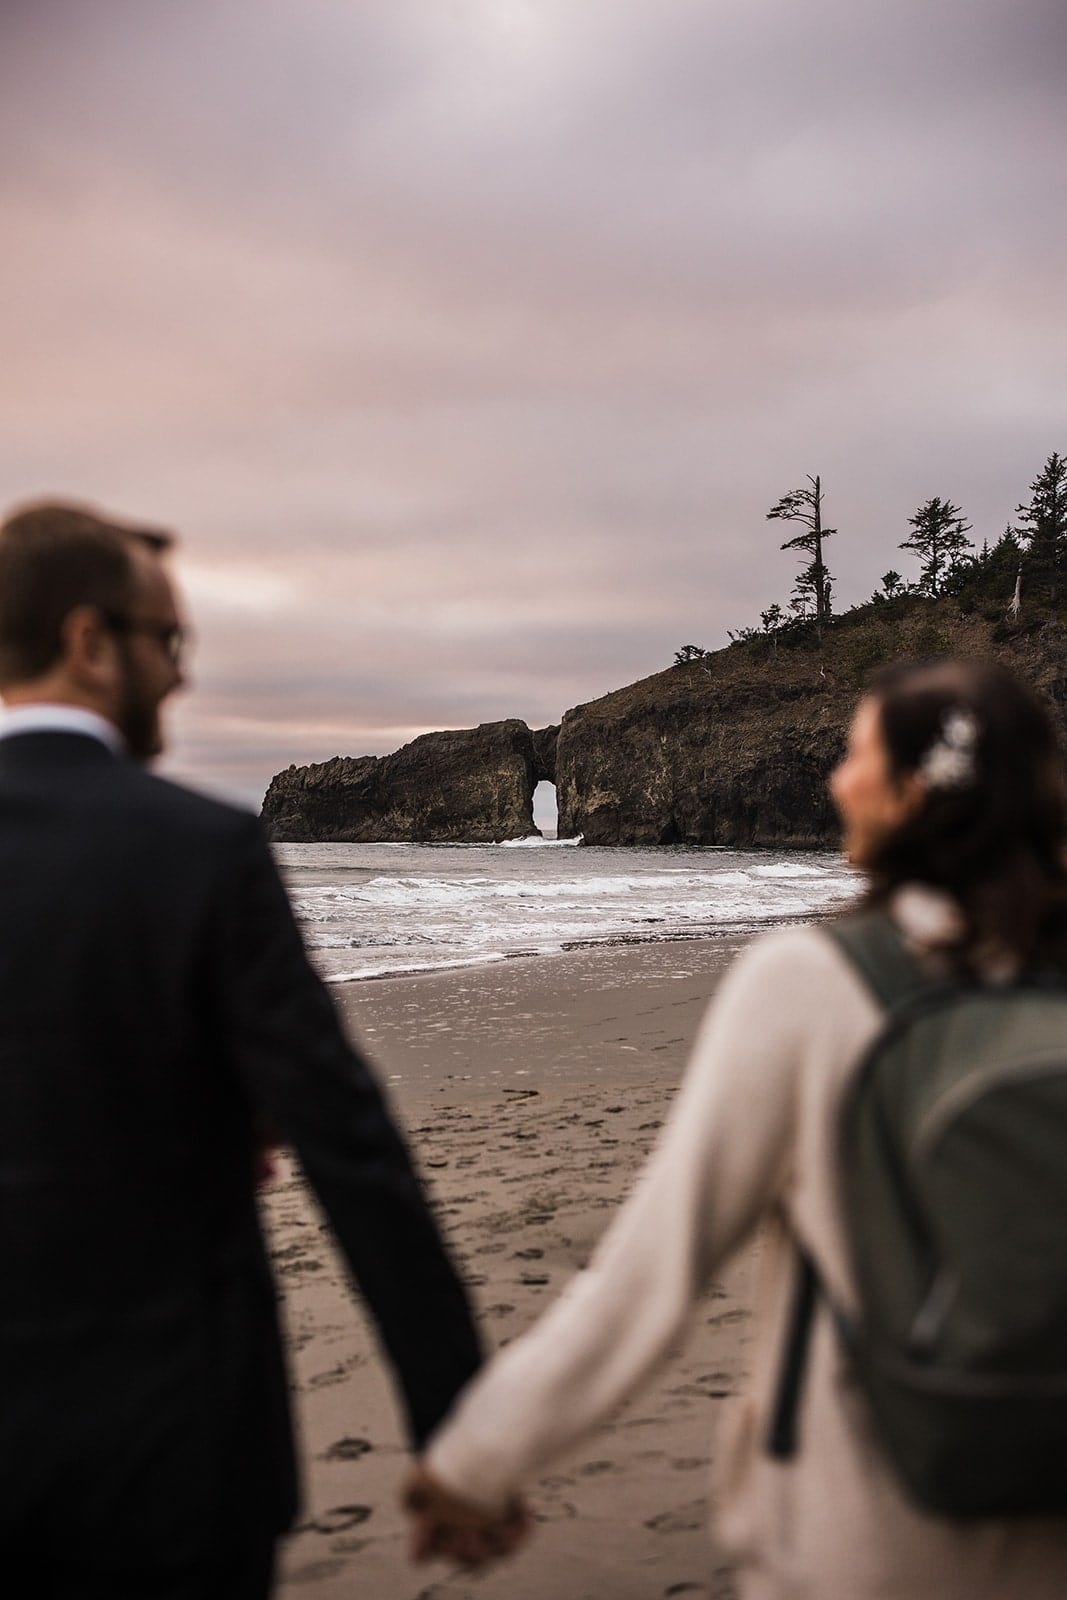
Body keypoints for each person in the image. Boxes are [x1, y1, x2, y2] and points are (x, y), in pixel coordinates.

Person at [404, 659, 1067, 1596]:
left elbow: (648, 1278)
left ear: (913, 792)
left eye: (857, 756)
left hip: (869, 1533)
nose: (836, 781)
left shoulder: (814, 982)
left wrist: (474, 1463)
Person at [0, 500, 490, 1598]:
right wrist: (459, 1426)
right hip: (174, 1453)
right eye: (165, 642)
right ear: (87, 641)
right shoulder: (199, 851)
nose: (178, 678)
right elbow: (351, 1151)